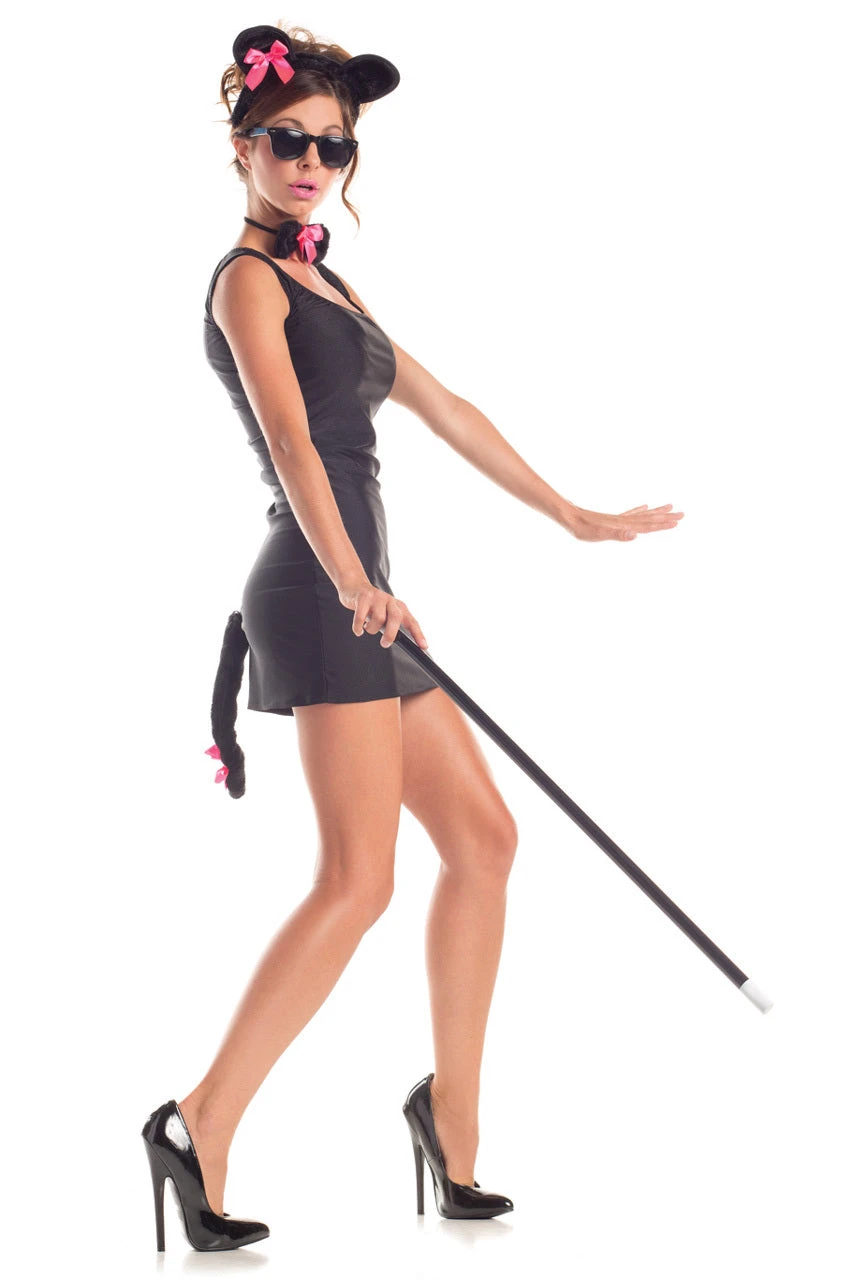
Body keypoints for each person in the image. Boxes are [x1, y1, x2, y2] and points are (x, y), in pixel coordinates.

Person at [141, 22, 684, 1252]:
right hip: (317, 585)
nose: (310, 162)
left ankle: (452, 1118)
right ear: (242, 144)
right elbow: (292, 443)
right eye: (287, 140)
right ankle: (197, 1119)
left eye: (333, 146)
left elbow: (444, 404)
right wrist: (353, 580)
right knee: (359, 877)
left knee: (483, 840)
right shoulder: (246, 281)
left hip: (360, 589)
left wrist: (572, 513)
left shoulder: (329, 281)